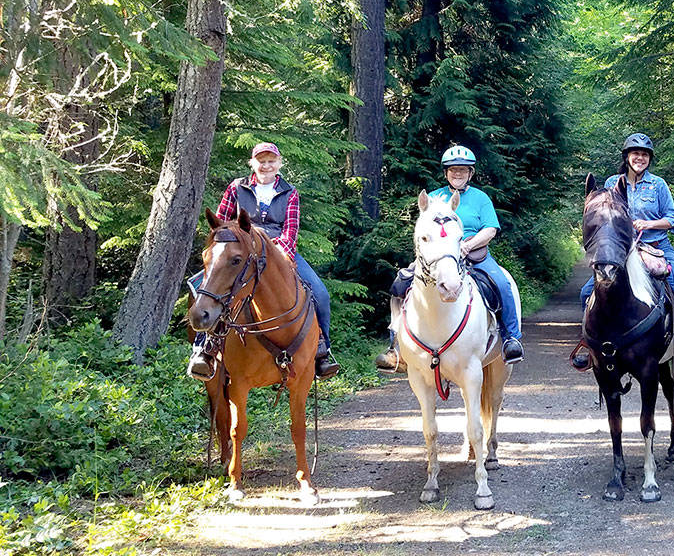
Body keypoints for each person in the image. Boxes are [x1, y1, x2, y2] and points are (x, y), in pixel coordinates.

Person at [572, 133, 674, 377]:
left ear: (649, 159)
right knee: (585, 293)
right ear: (627, 157)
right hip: (622, 251)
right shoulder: (613, 183)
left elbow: (673, 217)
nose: (640, 158)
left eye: (644, 155)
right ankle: (588, 345)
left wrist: (649, 224)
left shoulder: (658, 185)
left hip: (658, 247)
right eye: (635, 154)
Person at [187, 142, 339, 381]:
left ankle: (322, 350)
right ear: (253, 163)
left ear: (279, 164)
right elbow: (221, 223)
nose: (266, 166)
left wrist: (279, 254)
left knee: (320, 293)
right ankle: (204, 349)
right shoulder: (237, 188)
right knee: (204, 289)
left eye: (271, 161)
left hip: (278, 251)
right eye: (261, 161)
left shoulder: (290, 192)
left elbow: (290, 231)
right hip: (240, 252)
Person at [376, 145, 524, 372]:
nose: (458, 174)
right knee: (400, 283)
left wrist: (467, 246)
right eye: (453, 170)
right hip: (438, 257)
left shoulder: (480, 198)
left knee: (502, 284)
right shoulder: (433, 197)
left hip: (474, 254)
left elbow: (490, 229)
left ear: (470, 173)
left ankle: (510, 339)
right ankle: (396, 346)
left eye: (463, 170)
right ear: (446, 172)